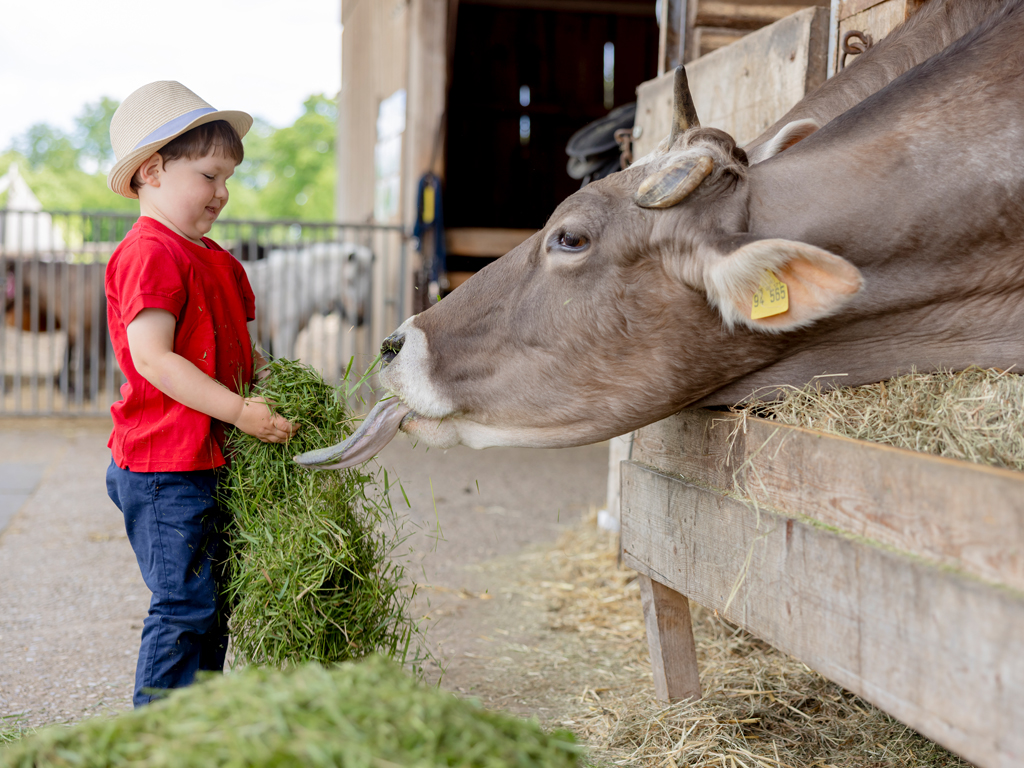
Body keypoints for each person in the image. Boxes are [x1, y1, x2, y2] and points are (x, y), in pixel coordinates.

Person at [103, 81, 299, 706]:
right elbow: (153, 357)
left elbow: (241, 350)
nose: (222, 192)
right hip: (165, 466)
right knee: (185, 603)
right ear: (152, 170)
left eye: (228, 178)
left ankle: (199, 720)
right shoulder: (150, 253)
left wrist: (273, 383)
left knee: (215, 602)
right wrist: (239, 410)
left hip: (212, 457)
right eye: (210, 175)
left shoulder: (217, 258)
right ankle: (158, 732)